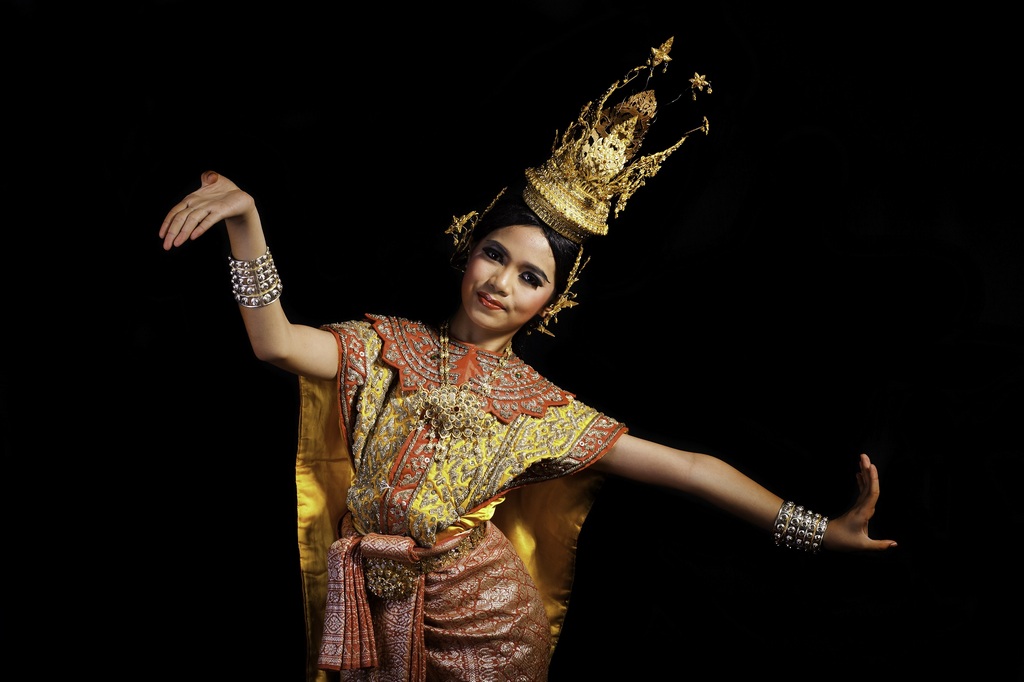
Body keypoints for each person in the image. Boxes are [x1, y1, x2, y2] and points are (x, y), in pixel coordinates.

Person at [158, 38, 896, 682]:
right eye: (495, 255)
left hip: (486, 630)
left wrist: (820, 531)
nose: (501, 284)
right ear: (469, 249)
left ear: (552, 302)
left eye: (531, 278)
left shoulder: (544, 410)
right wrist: (247, 224)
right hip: (375, 610)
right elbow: (275, 342)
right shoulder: (383, 344)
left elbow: (694, 469)